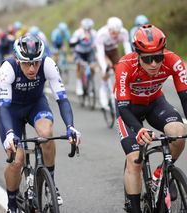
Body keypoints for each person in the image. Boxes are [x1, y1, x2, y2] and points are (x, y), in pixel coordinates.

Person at [0, 35, 81, 213]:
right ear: (17, 60)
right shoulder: (8, 68)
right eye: (27, 63)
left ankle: (50, 182)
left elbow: (62, 99)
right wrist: (10, 133)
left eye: (36, 62)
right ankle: (12, 204)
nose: (32, 68)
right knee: (17, 160)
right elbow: (3, 107)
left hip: (36, 105)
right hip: (12, 111)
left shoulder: (48, 64)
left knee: (46, 133)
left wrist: (70, 126)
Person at [114, 24, 186, 213]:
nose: (154, 64)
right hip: (129, 110)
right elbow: (122, 107)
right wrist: (139, 129)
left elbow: (185, 96)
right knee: (134, 160)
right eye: (148, 59)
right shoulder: (124, 66)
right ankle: (135, 207)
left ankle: (160, 175)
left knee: (179, 133)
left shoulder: (174, 61)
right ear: (137, 54)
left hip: (155, 104)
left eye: (158, 57)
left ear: (164, 52)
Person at [95, 16, 132, 110]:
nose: (115, 35)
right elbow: (100, 53)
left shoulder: (124, 32)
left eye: (117, 33)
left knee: (121, 69)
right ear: (109, 30)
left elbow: (127, 49)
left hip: (113, 50)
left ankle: (120, 90)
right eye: (113, 33)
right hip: (103, 53)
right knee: (107, 70)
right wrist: (104, 68)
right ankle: (103, 91)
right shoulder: (102, 34)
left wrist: (131, 63)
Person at [69, 17, 97, 96]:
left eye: (89, 29)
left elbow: (97, 43)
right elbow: (71, 43)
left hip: (89, 52)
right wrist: (79, 40)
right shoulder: (78, 33)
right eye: (86, 29)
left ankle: (90, 84)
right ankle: (79, 86)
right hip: (79, 52)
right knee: (79, 66)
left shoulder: (94, 33)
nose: (87, 31)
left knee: (92, 67)